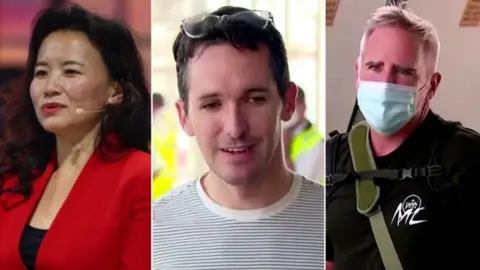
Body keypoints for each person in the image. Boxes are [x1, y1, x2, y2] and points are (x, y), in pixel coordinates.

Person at [152, 6, 324, 270]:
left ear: (288, 103)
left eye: (255, 99)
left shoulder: (335, 223)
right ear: (184, 116)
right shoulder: (152, 235)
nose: (235, 128)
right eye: (211, 104)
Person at [326, 5, 480, 270]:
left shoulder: (464, 156)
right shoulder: (331, 158)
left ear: (432, 85)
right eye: (374, 66)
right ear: (357, 73)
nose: (386, 83)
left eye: (404, 71)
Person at [0, 4, 151, 270]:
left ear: (115, 91)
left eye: (70, 72)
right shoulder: (18, 175)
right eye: (41, 72)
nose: (50, 87)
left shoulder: (138, 177)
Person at [282, 86, 324, 183]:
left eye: (291, 104)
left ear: (303, 107)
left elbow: (300, 189)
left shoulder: (318, 145)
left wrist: (284, 152)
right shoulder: (274, 136)